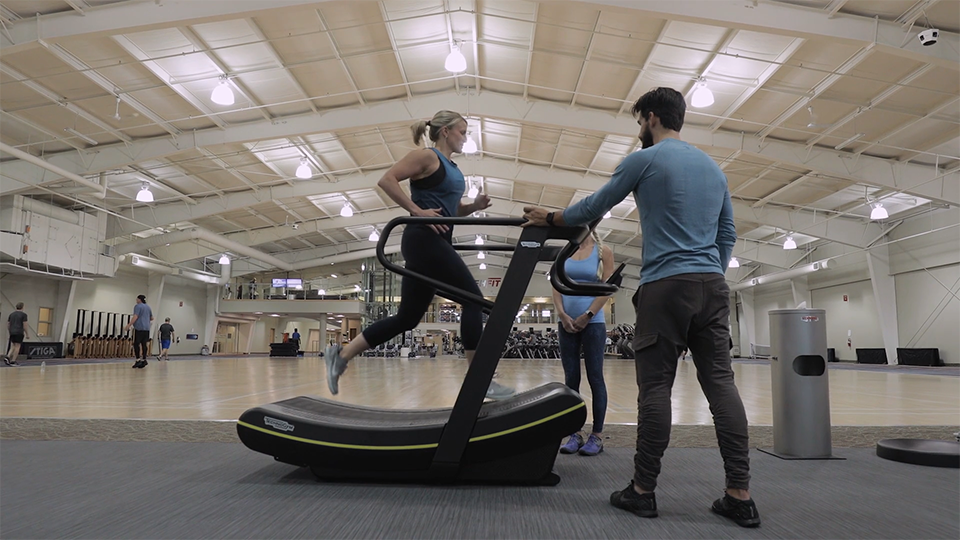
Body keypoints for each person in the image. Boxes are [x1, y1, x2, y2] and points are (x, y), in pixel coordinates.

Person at [522, 87, 759, 527]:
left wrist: (552, 219)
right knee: (722, 387)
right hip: (712, 285)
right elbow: (727, 234)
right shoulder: (713, 169)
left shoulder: (644, 160)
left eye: (639, 123)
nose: (639, 132)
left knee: (655, 390)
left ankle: (643, 490)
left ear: (650, 118)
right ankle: (739, 494)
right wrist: (707, 272)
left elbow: (595, 206)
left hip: (665, 287)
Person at [325, 110, 515, 401]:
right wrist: (416, 211)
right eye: (463, 132)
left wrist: (473, 206)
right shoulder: (428, 157)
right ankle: (480, 380)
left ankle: (342, 354)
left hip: (438, 241)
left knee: (408, 318)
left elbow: (451, 211)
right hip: (423, 239)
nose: (466, 138)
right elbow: (387, 180)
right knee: (473, 299)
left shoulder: (453, 168)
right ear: (446, 132)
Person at [554, 230, 613, 457]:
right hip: (566, 323)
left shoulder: (602, 252)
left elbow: (607, 289)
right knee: (571, 379)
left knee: (595, 376)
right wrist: (562, 315)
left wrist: (587, 315)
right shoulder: (564, 252)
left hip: (593, 323)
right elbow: (556, 285)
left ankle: (596, 436)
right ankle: (574, 433)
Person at [124, 294, 154, 369]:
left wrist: (129, 324)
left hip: (139, 328)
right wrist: (145, 320)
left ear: (139, 299)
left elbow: (135, 316)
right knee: (144, 344)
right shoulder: (148, 307)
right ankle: (144, 359)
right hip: (146, 329)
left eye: (136, 299)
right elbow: (152, 318)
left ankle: (138, 360)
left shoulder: (138, 306)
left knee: (136, 344)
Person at [4, 302, 30, 366]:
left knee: (13, 345)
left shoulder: (11, 314)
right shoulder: (24, 315)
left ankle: (8, 356)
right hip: (19, 332)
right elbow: (25, 325)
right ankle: (13, 361)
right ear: (23, 307)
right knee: (17, 346)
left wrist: (10, 331)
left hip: (12, 332)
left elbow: (8, 324)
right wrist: (27, 334)